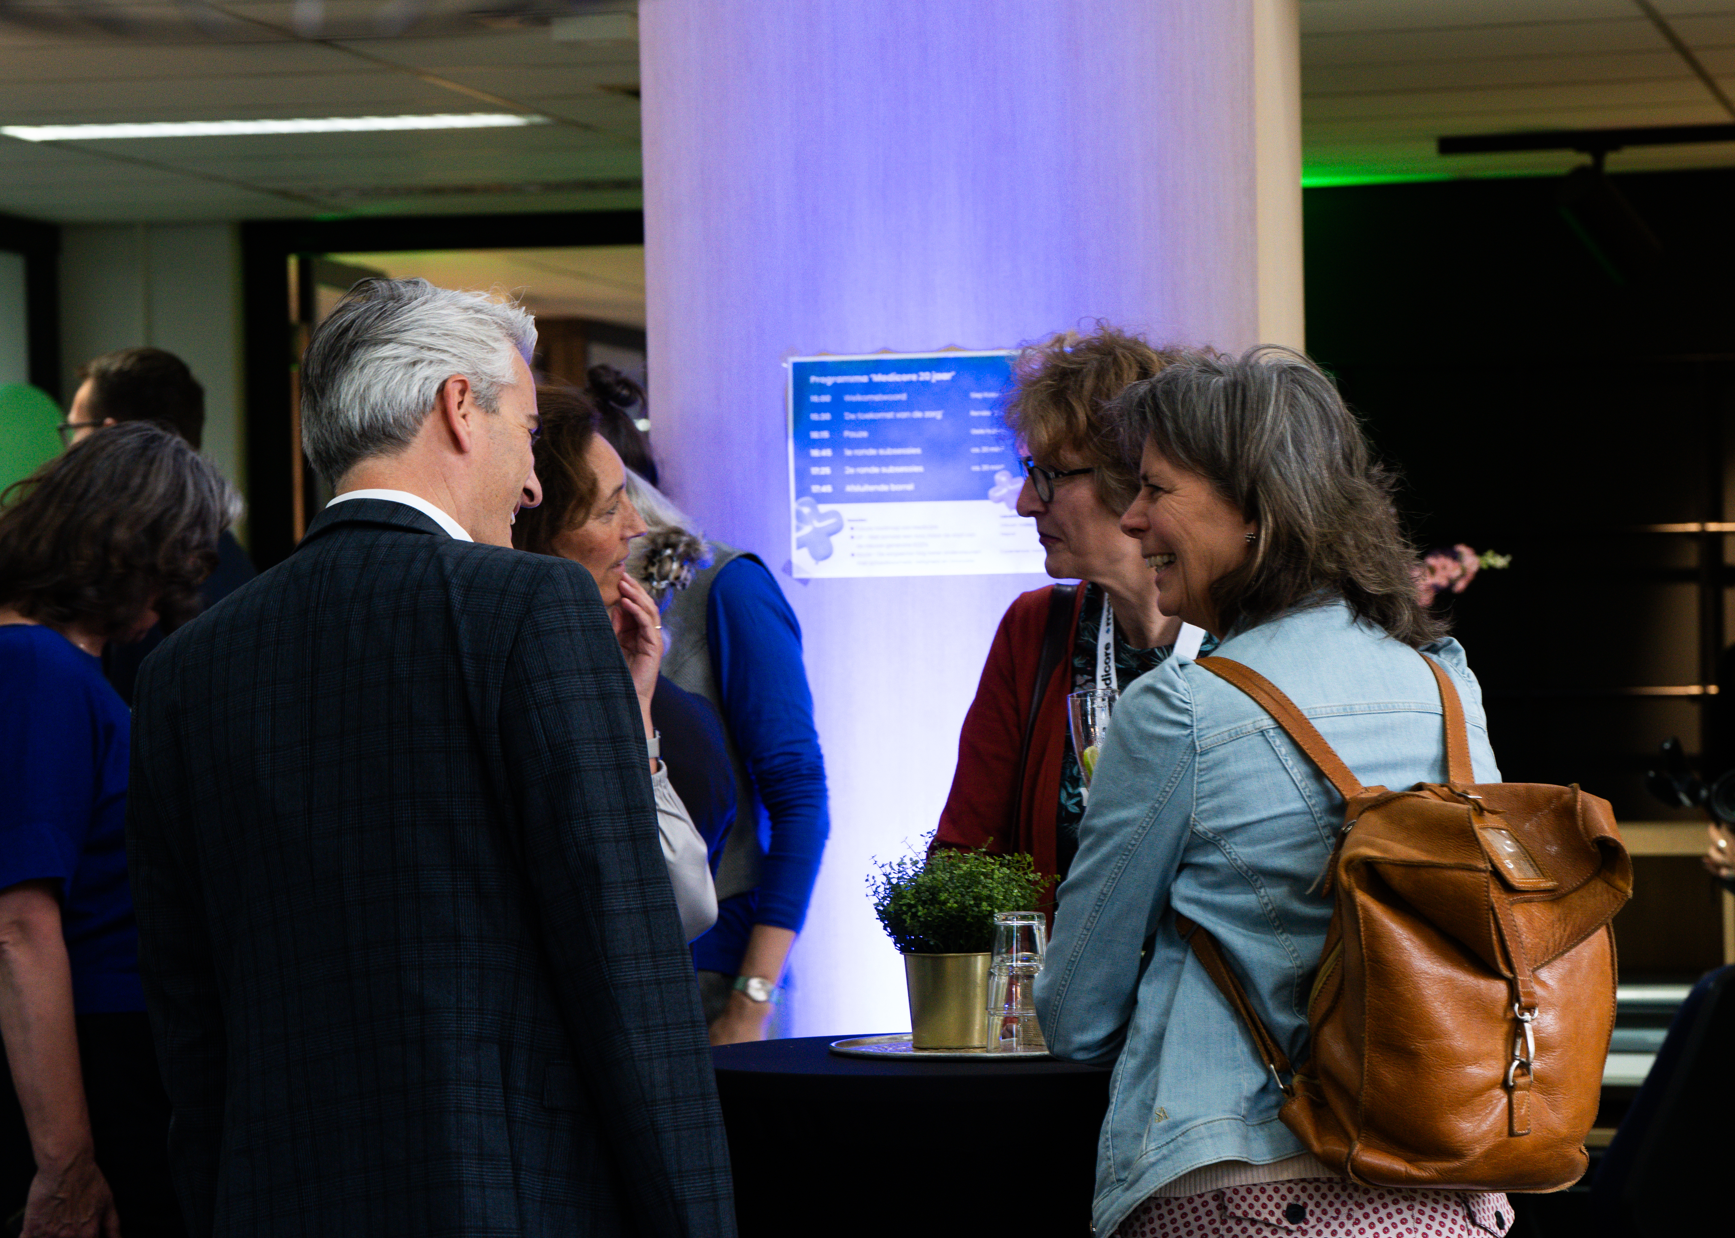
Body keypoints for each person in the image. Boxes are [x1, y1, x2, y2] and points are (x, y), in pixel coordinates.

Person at [125, 278, 735, 1236]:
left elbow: (188, 1012)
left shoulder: (183, 669)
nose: (532, 485)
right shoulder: (534, 609)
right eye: (526, 432)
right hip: (515, 1198)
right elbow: (624, 964)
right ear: (459, 406)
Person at [1035, 347, 1510, 1238]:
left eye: (1155, 489)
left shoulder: (1181, 708)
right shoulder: (1445, 683)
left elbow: (1073, 1016)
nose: (1132, 518)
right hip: (1451, 1188)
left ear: (1257, 510)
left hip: (1245, 1187)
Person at [0, 422, 238, 1238]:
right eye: (177, 566)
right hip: (94, 1060)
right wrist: (66, 1162)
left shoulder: (60, 666)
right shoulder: (37, 669)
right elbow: (19, 925)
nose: (175, 601)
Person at [567, 412, 828, 1044]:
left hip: (719, 975)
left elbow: (799, 796)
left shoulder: (724, 585)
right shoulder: (562, 601)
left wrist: (753, 1000)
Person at [932, 326, 1207, 897]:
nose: (1025, 503)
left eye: (1049, 476)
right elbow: (965, 857)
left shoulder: (1257, 635)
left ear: (1133, 476)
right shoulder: (1036, 629)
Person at [510, 383, 717, 941]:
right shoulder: (532, 694)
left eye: (628, 496)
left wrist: (637, 707)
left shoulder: (616, 674)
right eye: (608, 509)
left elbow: (688, 903)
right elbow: (673, 905)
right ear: (539, 537)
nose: (638, 525)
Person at [59, 346, 257, 706]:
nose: (69, 449)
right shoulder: (228, 561)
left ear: (110, 438)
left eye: (74, 429)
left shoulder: (138, 577)